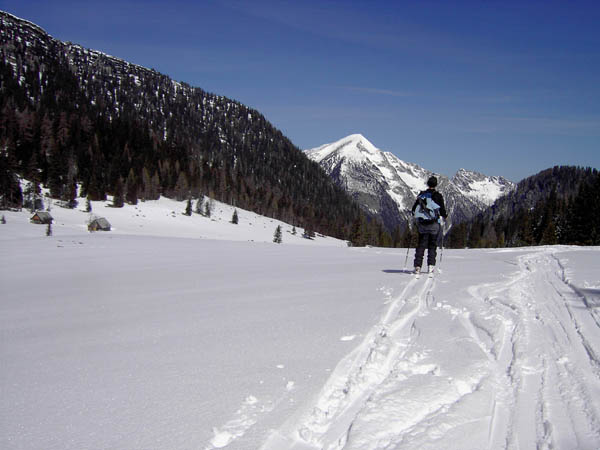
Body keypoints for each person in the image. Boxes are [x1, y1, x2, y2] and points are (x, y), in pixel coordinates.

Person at [411, 176, 448, 275]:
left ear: (427, 184)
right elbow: (442, 211)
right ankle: (431, 267)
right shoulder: (438, 196)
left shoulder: (422, 195)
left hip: (422, 225)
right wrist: (445, 217)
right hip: (434, 224)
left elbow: (414, 209)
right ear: (436, 185)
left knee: (421, 245)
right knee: (432, 245)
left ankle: (417, 267)